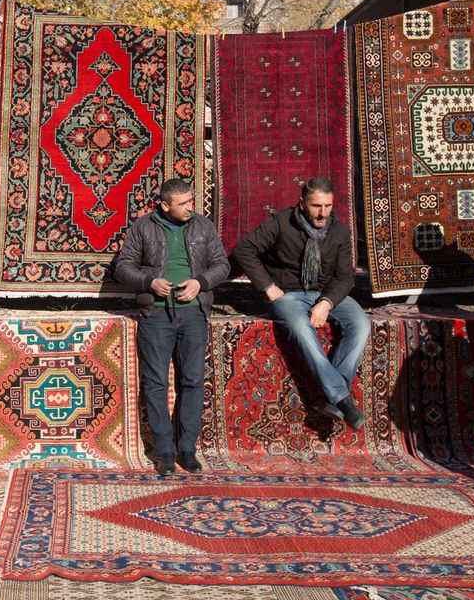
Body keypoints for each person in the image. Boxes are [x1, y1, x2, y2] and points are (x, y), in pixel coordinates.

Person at [232, 177, 369, 429]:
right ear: (302, 203)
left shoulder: (339, 231)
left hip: (326, 293)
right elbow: (244, 248)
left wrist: (326, 302)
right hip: (289, 294)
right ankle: (343, 399)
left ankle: (326, 397)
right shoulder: (282, 222)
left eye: (327, 206)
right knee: (299, 326)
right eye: (317, 206)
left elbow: (344, 277)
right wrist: (268, 287)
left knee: (361, 323)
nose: (323, 212)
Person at [115, 178, 230, 475]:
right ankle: (165, 451)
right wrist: (148, 282)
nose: (191, 207)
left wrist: (200, 282)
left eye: (191, 201)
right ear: (165, 205)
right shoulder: (143, 227)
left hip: (193, 313)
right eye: (184, 203)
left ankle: (187, 449)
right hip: (156, 314)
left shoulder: (203, 226)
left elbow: (222, 265)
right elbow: (123, 266)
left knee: (192, 381)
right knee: (155, 384)